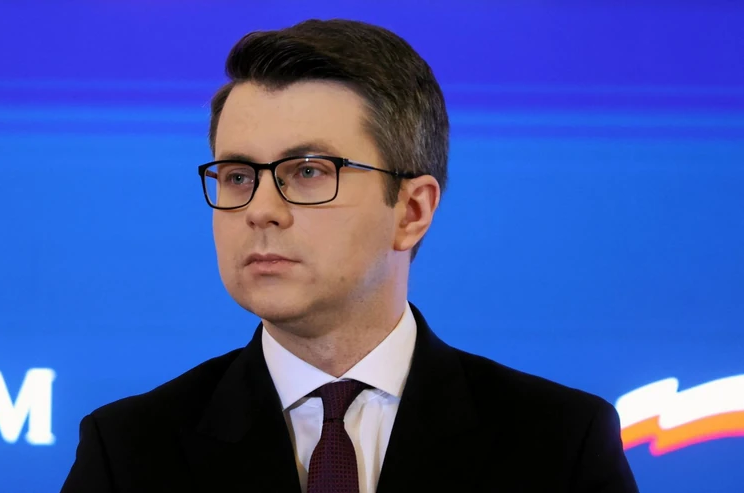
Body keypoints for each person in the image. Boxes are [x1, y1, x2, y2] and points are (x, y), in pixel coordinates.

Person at [61, 18, 638, 493]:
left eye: (308, 172)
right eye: (238, 176)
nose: (260, 209)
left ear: (411, 211)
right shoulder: (129, 450)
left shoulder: (559, 441)